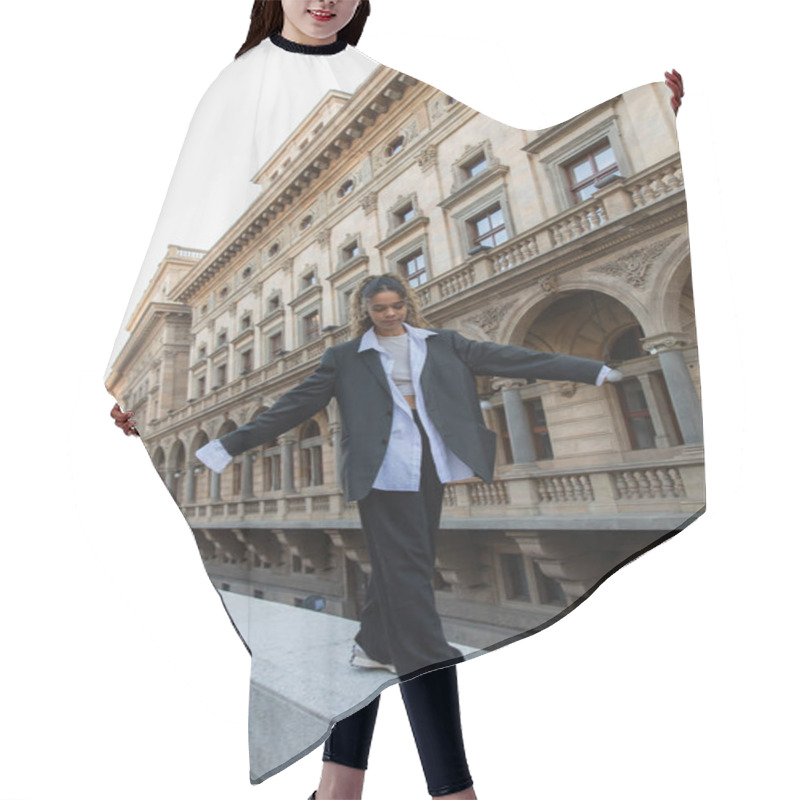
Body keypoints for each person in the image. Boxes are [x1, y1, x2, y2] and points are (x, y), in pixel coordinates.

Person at [107, 3, 690, 798]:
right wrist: (184, 426)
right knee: (414, 611)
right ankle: (453, 789)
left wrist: (659, 106)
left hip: (429, 481)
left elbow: (514, 354)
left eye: (397, 302)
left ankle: (338, 785)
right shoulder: (238, 96)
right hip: (379, 485)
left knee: (386, 617)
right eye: (378, 306)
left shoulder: (443, 341)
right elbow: (276, 406)